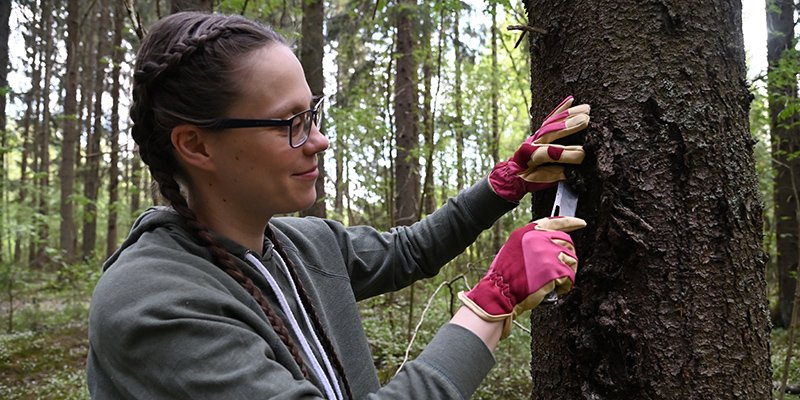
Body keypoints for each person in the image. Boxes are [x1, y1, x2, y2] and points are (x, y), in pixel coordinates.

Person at [86, 11, 589, 400]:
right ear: (195, 146)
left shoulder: (302, 243)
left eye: (313, 114)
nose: (320, 140)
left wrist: (505, 183)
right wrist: (492, 301)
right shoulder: (152, 305)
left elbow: (410, 252)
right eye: (291, 123)